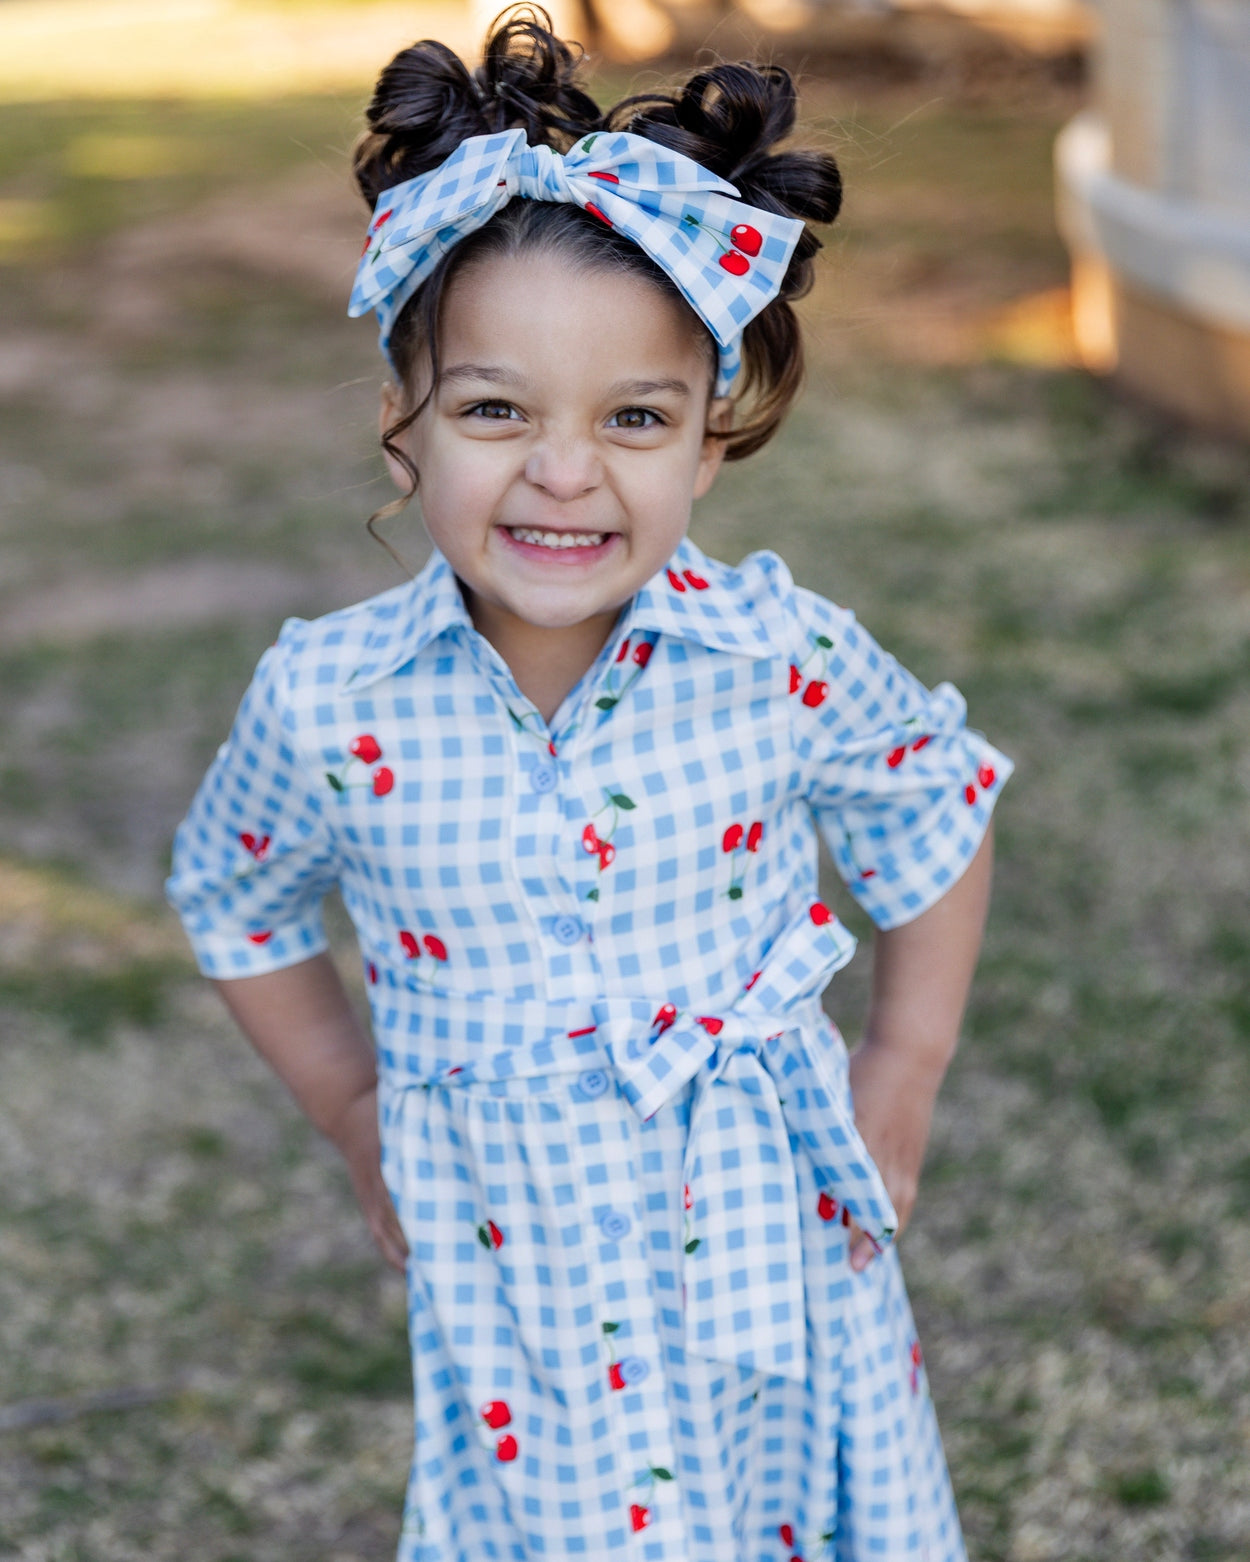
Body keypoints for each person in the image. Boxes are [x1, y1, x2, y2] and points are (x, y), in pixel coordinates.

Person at [166, 11, 1012, 1560]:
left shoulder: (778, 655)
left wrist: (903, 1067)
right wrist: (356, 1114)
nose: (566, 470)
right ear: (401, 424)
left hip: (773, 1232)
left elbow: (927, 800)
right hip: (516, 1277)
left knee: (800, 1514)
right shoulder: (331, 700)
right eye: (497, 411)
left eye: (632, 417)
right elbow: (234, 899)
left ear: (708, 438)